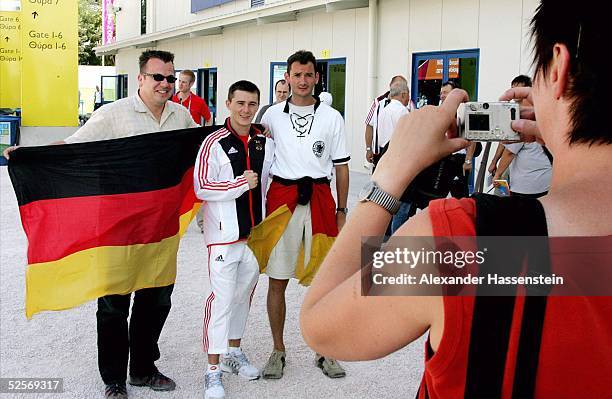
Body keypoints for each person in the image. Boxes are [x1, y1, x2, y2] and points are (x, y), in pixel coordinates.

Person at [301, 2, 612, 398]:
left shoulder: (468, 242)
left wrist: (393, 170)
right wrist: (564, 136)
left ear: (558, 68)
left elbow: (321, 324)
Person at [6, 50, 198, 399]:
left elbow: (203, 154)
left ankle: (143, 369)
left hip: (160, 229)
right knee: (113, 305)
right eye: (158, 77)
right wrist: (30, 155)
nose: (166, 84)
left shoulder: (182, 118)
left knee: (156, 301)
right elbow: (73, 148)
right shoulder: (113, 115)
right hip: (118, 229)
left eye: (171, 78)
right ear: (140, 78)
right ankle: (113, 379)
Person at [259, 50, 350, 380]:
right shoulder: (271, 116)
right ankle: (278, 350)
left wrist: (341, 209)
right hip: (282, 198)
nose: (302, 80)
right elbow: (260, 159)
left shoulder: (332, 117)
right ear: (287, 78)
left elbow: (341, 166)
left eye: (308, 74)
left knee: (325, 281)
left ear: (316, 77)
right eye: (296, 74)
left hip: (321, 199)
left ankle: (324, 350)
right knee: (277, 279)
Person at [195, 80, 274, 399]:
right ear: (228, 103)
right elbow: (201, 186)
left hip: (255, 237)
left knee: (243, 298)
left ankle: (232, 353)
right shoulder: (213, 142)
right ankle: (212, 371)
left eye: (252, 104)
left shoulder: (263, 141)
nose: (246, 110)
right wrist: (239, 185)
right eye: (240, 103)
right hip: (224, 239)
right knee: (222, 299)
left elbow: (273, 178)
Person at [374, 79, 412, 232]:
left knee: (387, 202)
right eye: (408, 94)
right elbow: (407, 138)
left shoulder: (384, 110)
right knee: (402, 206)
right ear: (403, 94)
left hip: (384, 158)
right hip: (399, 160)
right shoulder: (402, 111)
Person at [488, 75, 534, 195]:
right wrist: (494, 161)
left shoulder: (527, 114)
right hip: (512, 166)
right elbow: (505, 142)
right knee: (502, 194)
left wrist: (498, 174)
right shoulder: (511, 111)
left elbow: (510, 151)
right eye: (512, 88)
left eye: (517, 88)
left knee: (501, 196)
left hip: (524, 173)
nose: (513, 91)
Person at [440, 81, 477, 198]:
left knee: (460, 197)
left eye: (445, 93)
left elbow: (471, 138)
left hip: (459, 160)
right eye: (441, 93)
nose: (442, 96)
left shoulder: (464, 112)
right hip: (443, 159)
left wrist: (468, 161)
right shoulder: (439, 112)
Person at [364, 75, 408, 166]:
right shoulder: (379, 103)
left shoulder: (407, 105)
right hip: (385, 153)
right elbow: (369, 125)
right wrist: (369, 149)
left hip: (389, 152)